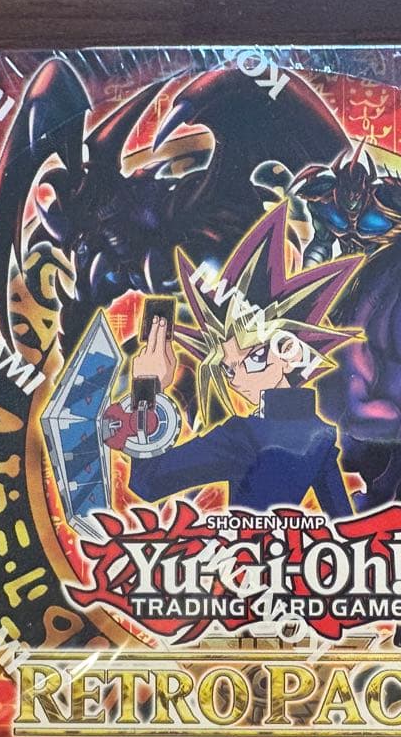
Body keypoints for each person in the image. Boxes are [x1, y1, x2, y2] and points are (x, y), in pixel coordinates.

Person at [125, 202, 361, 516]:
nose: (236, 378)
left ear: (289, 353)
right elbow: (343, 524)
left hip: (240, 546)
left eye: (252, 357)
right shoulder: (320, 433)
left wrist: (147, 386)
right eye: (228, 368)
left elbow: (147, 482)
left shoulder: (244, 435)